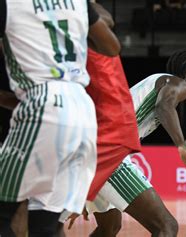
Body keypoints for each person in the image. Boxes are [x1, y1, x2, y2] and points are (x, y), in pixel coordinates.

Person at [0, 1, 120, 236]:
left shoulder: (10, 4)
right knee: (43, 225)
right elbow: (112, 47)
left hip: (43, 102)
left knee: (7, 213)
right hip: (82, 111)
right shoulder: (78, 2)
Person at [67, 49, 186, 236]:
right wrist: (182, 147)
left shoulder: (158, 82)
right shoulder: (176, 83)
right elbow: (164, 106)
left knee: (109, 227)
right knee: (167, 227)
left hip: (93, 150)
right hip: (109, 153)